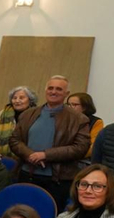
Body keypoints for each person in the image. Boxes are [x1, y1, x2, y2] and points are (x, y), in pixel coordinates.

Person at [9, 76, 92, 207]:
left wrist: (46, 155)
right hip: (26, 175)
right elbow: (14, 140)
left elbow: (80, 148)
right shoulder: (27, 114)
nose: (53, 92)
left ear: (67, 94)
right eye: (51, 88)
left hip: (57, 181)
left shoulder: (79, 119)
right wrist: (29, 154)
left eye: (59, 89)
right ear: (45, 90)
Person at [0, 86, 35, 158]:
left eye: (21, 98)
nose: (17, 101)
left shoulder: (36, 115)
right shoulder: (1, 114)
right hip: (1, 159)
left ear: (30, 100)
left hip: (27, 158)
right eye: (14, 98)